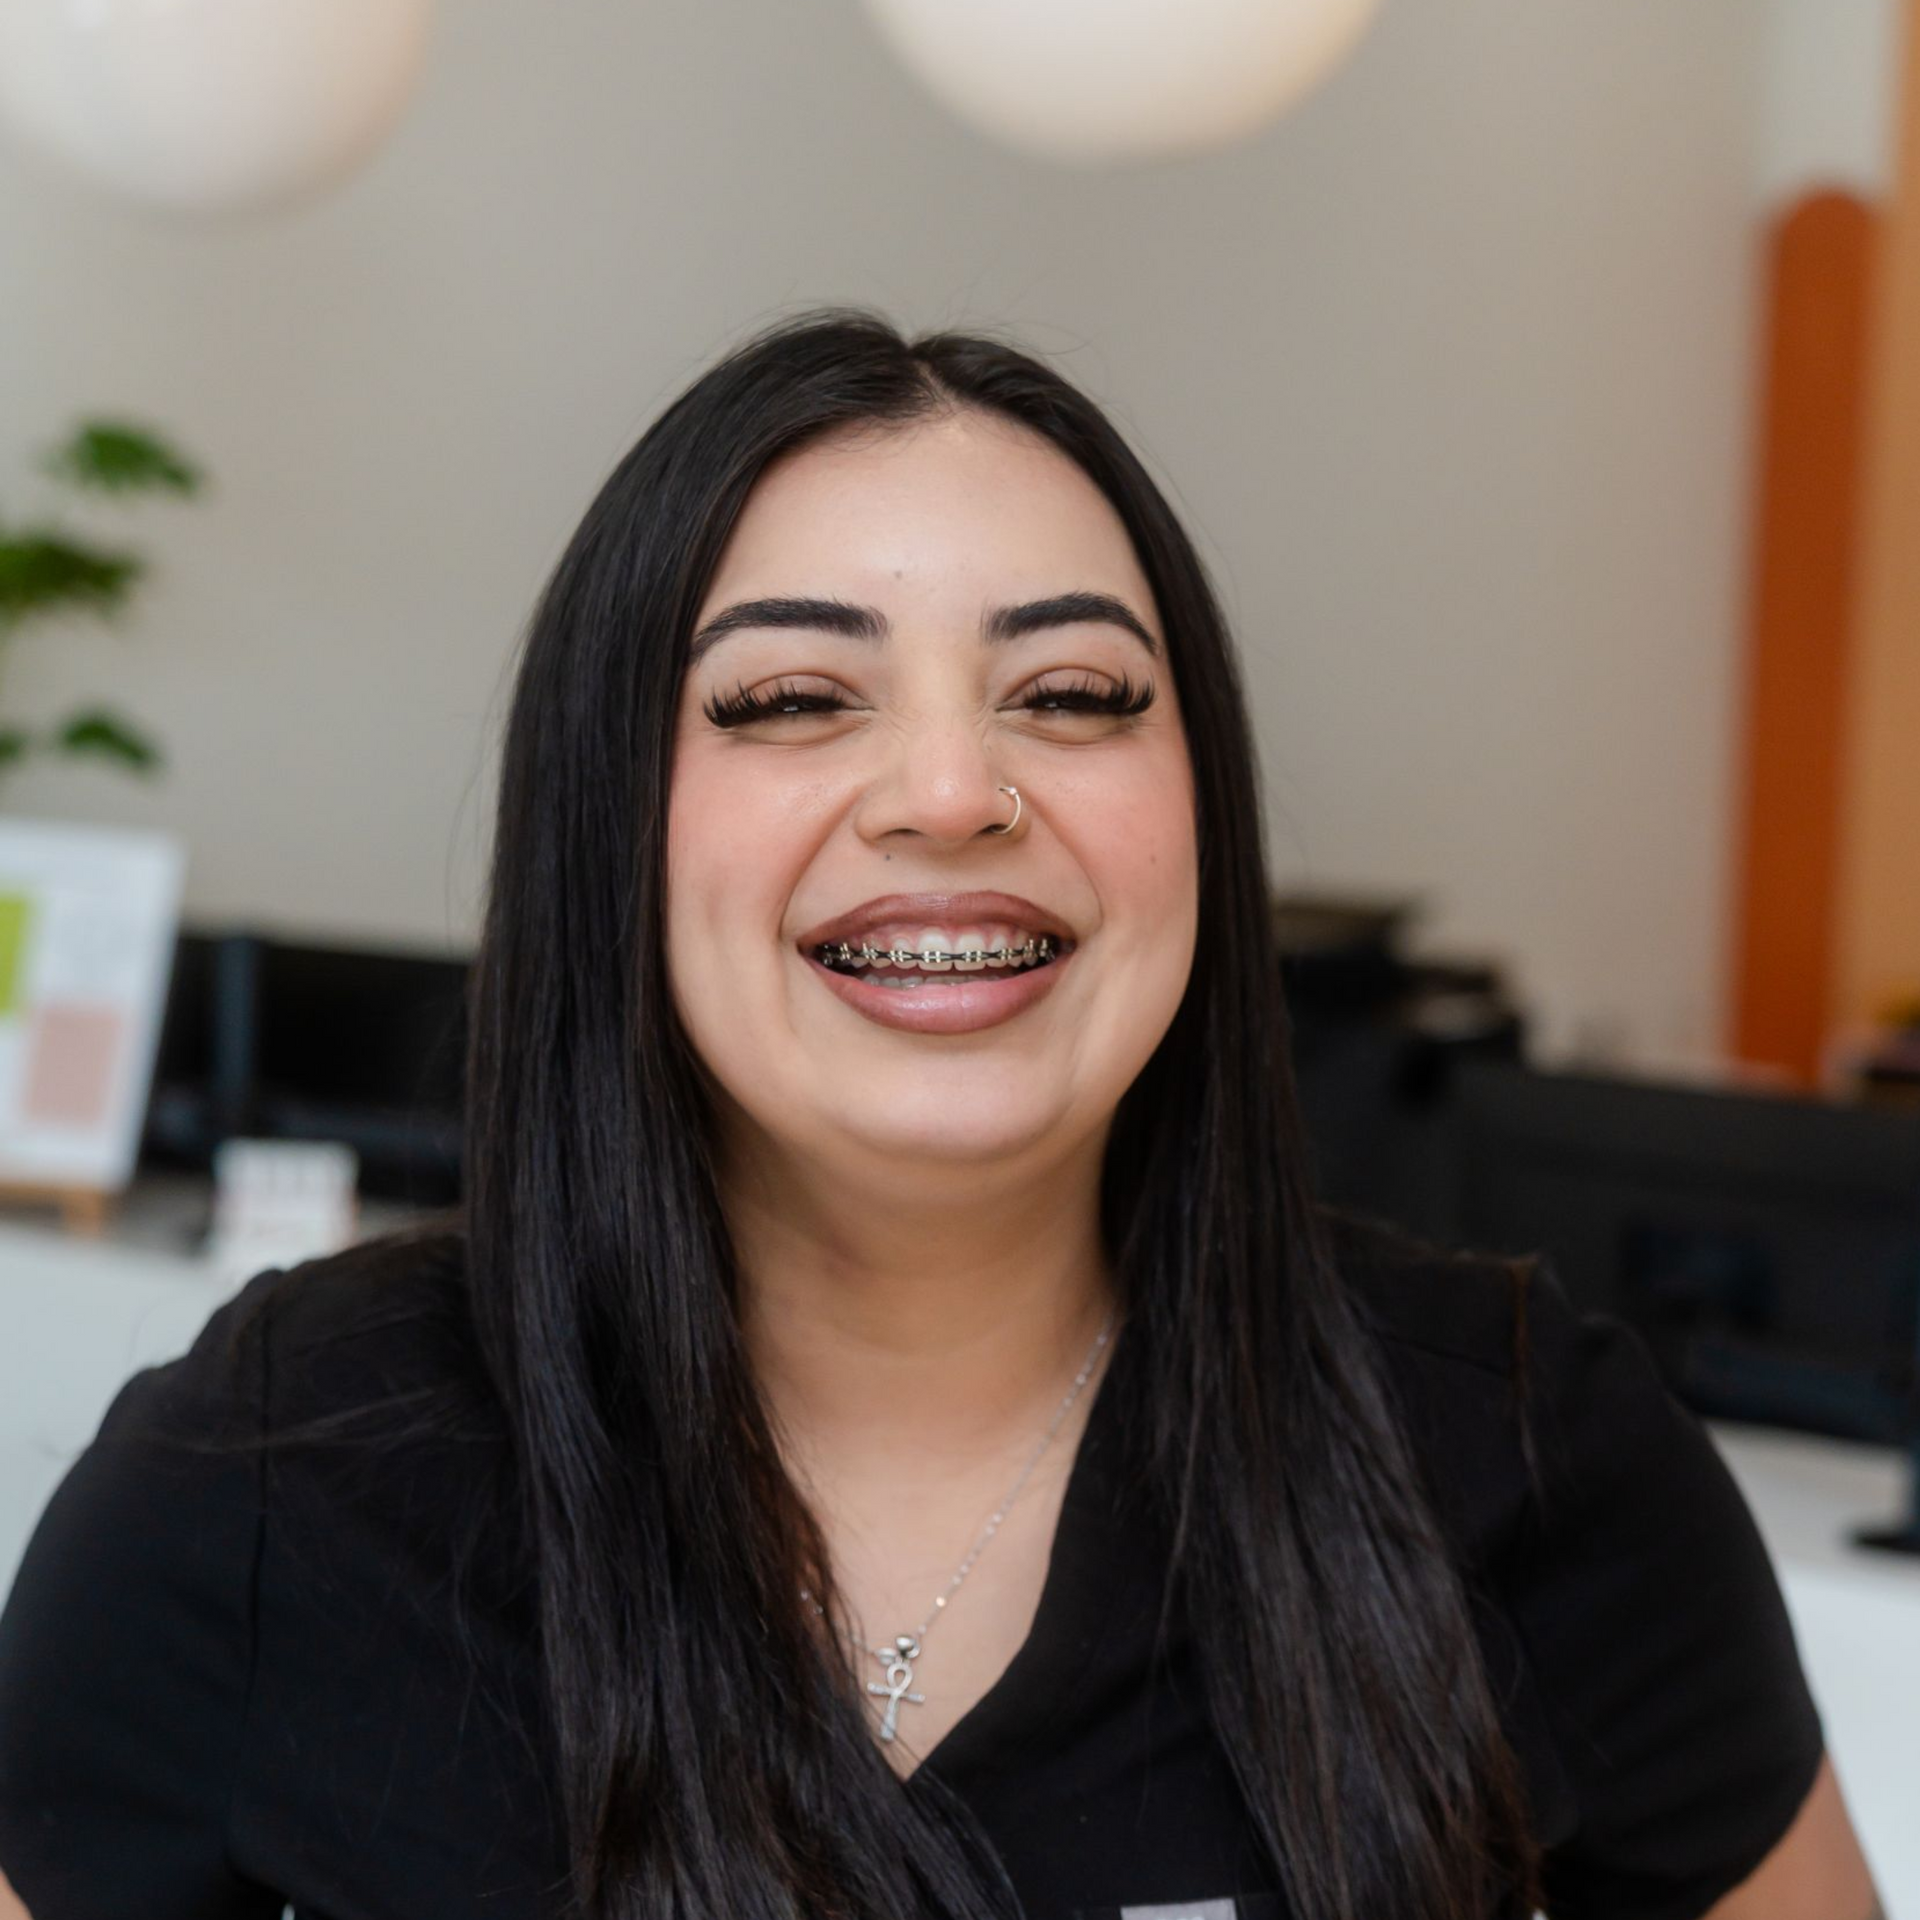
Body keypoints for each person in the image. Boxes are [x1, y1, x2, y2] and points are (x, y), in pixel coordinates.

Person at [0, 310, 1884, 1920]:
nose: (954, 788)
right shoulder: (269, 1480)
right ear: (608, 828)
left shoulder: (1547, 1462)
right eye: (797, 697)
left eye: (1071, 691)